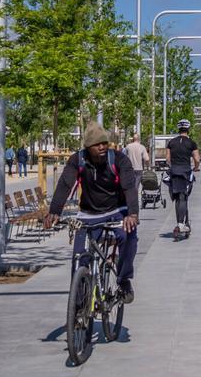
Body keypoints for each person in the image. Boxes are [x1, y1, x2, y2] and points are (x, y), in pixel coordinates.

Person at [45, 123, 139, 303]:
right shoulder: (77, 160)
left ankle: (124, 279)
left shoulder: (119, 159)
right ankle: (79, 305)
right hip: (88, 214)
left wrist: (132, 214)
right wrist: (54, 212)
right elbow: (65, 184)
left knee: (128, 238)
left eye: (105, 143)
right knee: (79, 257)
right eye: (97, 144)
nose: (102, 147)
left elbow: (129, 186)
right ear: (87, 147)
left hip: (118, 211)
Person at [166, 119, 200, 239]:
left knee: (177, 198)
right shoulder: (191, 143)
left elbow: (168, 159)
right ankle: (181, 224)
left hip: (174, 172)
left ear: (178, 129)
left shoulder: (171, 142)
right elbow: (197, 159)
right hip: (185, 172)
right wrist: (196, 168)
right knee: (184, 197)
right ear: (188, 129)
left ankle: (181, 223)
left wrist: (172, 166)